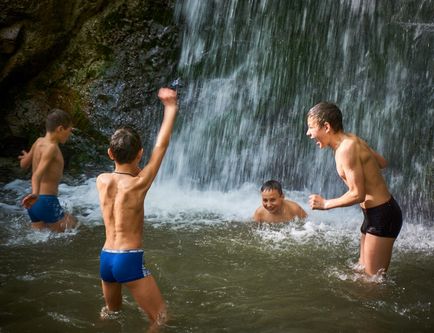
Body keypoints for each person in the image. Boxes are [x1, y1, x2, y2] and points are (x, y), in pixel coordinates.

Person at [96, 87, 178, 330]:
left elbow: (121, 172)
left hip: (106, 259)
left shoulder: (101, 181)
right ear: (140, 154)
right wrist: (170, 107)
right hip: (128, 260)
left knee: (111, 313)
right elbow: (161, 147)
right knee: (161, 319)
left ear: (110, 153)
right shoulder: (138, 185)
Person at [306, 102, 402, 277]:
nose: (308, 133)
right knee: (361, 272)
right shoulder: (352, 140)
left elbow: (358, 194)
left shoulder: (345, 149)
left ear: (326, 126)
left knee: (373, 282)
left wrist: (326, 203)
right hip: (375, 214)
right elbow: (382, 163)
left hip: (383, 215)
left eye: (311, 127)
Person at [18, 108, 77, 232]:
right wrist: (35, 193)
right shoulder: (52, 148)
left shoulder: (38, 142)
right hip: (45, 201)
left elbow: (24, 164)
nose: (70, 134)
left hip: (33, 206)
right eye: (69, 130)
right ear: (60, 129)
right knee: (76, 226)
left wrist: (26, 157)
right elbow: (37, 175)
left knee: (43, 241)